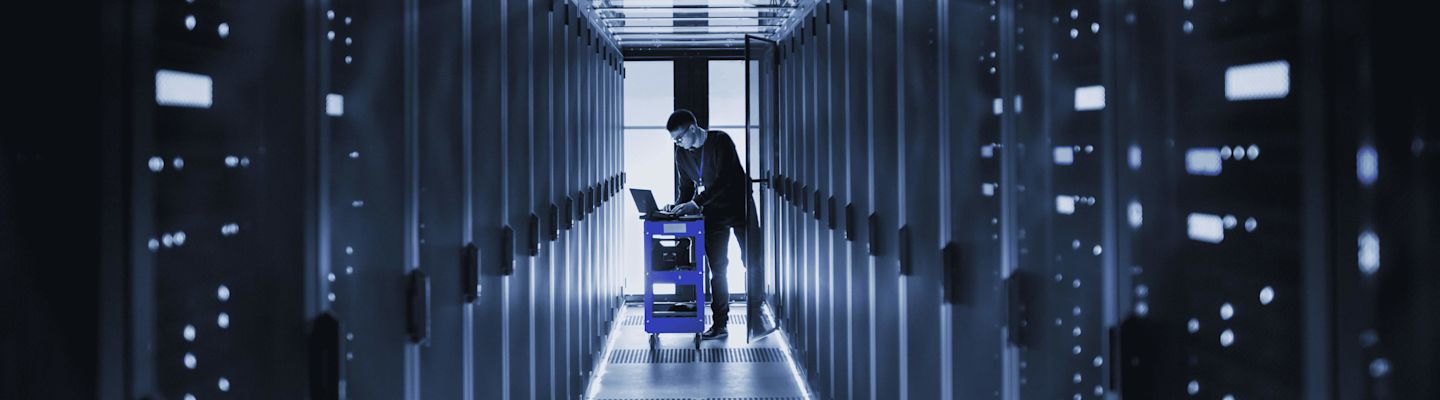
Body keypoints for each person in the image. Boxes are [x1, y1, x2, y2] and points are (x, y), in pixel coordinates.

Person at [664, 109, 761, 340]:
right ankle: (720, 325)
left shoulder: (721, 141)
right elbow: (686, 189)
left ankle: (756, 316)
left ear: (693, 130)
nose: (677, 143)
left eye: (679, 137)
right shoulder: (681, 153)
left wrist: (696, 203)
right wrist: (677, 208)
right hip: (714, 213)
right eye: (674, 140)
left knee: (752, 261)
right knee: (718, 269)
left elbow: (725, 180)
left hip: (740, 208)